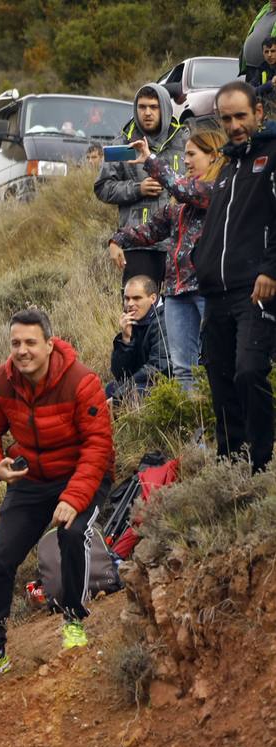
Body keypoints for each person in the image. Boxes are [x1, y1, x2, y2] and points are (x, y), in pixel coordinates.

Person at [0, 309, 115, 685]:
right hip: (30, 479)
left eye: (31, 342)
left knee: (71, 532)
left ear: (50, 344)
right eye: (15, 343)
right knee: (0, 558)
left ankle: (74, 620)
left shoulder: (82, 381)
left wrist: (74, 497)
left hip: (83, 473)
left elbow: (98, 446)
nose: (22, 350)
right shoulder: (1, 381)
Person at [194, 81, 276, 473]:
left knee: (249, 370)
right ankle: (231, 466)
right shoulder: (226, 166)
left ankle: (262, 464)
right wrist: (200, 261)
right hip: (216, 292)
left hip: (255, 289)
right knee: (221, 380)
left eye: (241, 116)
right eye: (226, 118)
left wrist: (270, 268)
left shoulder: (272, 156)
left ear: (259, 112)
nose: (234, 124)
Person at [111, 123, 224, 386]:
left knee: (214, 362)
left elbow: (183, 189)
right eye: (184, 155)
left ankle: (218, 422)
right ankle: (192, 421)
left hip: (206, 288)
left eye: (192, 154)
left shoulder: (218, 189)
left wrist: (150, 159)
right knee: (183, 368)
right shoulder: (180, 201)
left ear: (213, 155)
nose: (185, 160)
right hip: (175, 292)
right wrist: (117, 239)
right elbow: (151, 229)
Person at [93, 82, 184, 286]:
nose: (147, 113)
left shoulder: (183, 140)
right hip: (137, 244)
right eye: (142, 107)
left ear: (165, 108)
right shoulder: (123, 143)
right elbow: (102, 187)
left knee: (173, 313)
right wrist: (138, 188)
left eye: (154, 107)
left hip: (178, 243)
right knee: (137, 310)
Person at [107, 275, 171, 402]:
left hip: (165, 382)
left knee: (128, 397)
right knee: (110, 389)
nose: (130, 304)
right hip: (143, 380)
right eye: (127, 298)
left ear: (152, 298)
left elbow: (159, 368)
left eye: (137, 298)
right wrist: (126, 338)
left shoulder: (164, 320)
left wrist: (122, 393)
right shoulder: (135, 319)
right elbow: (120, 374)